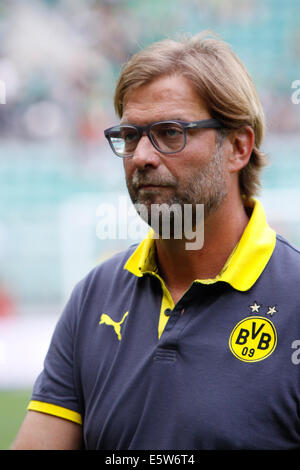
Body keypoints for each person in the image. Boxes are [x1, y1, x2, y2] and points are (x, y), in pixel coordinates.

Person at [12, 31, 300, 450]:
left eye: (170, 132)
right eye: (130, 136)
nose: (142, 156)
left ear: (238, 147)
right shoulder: (94, 296)